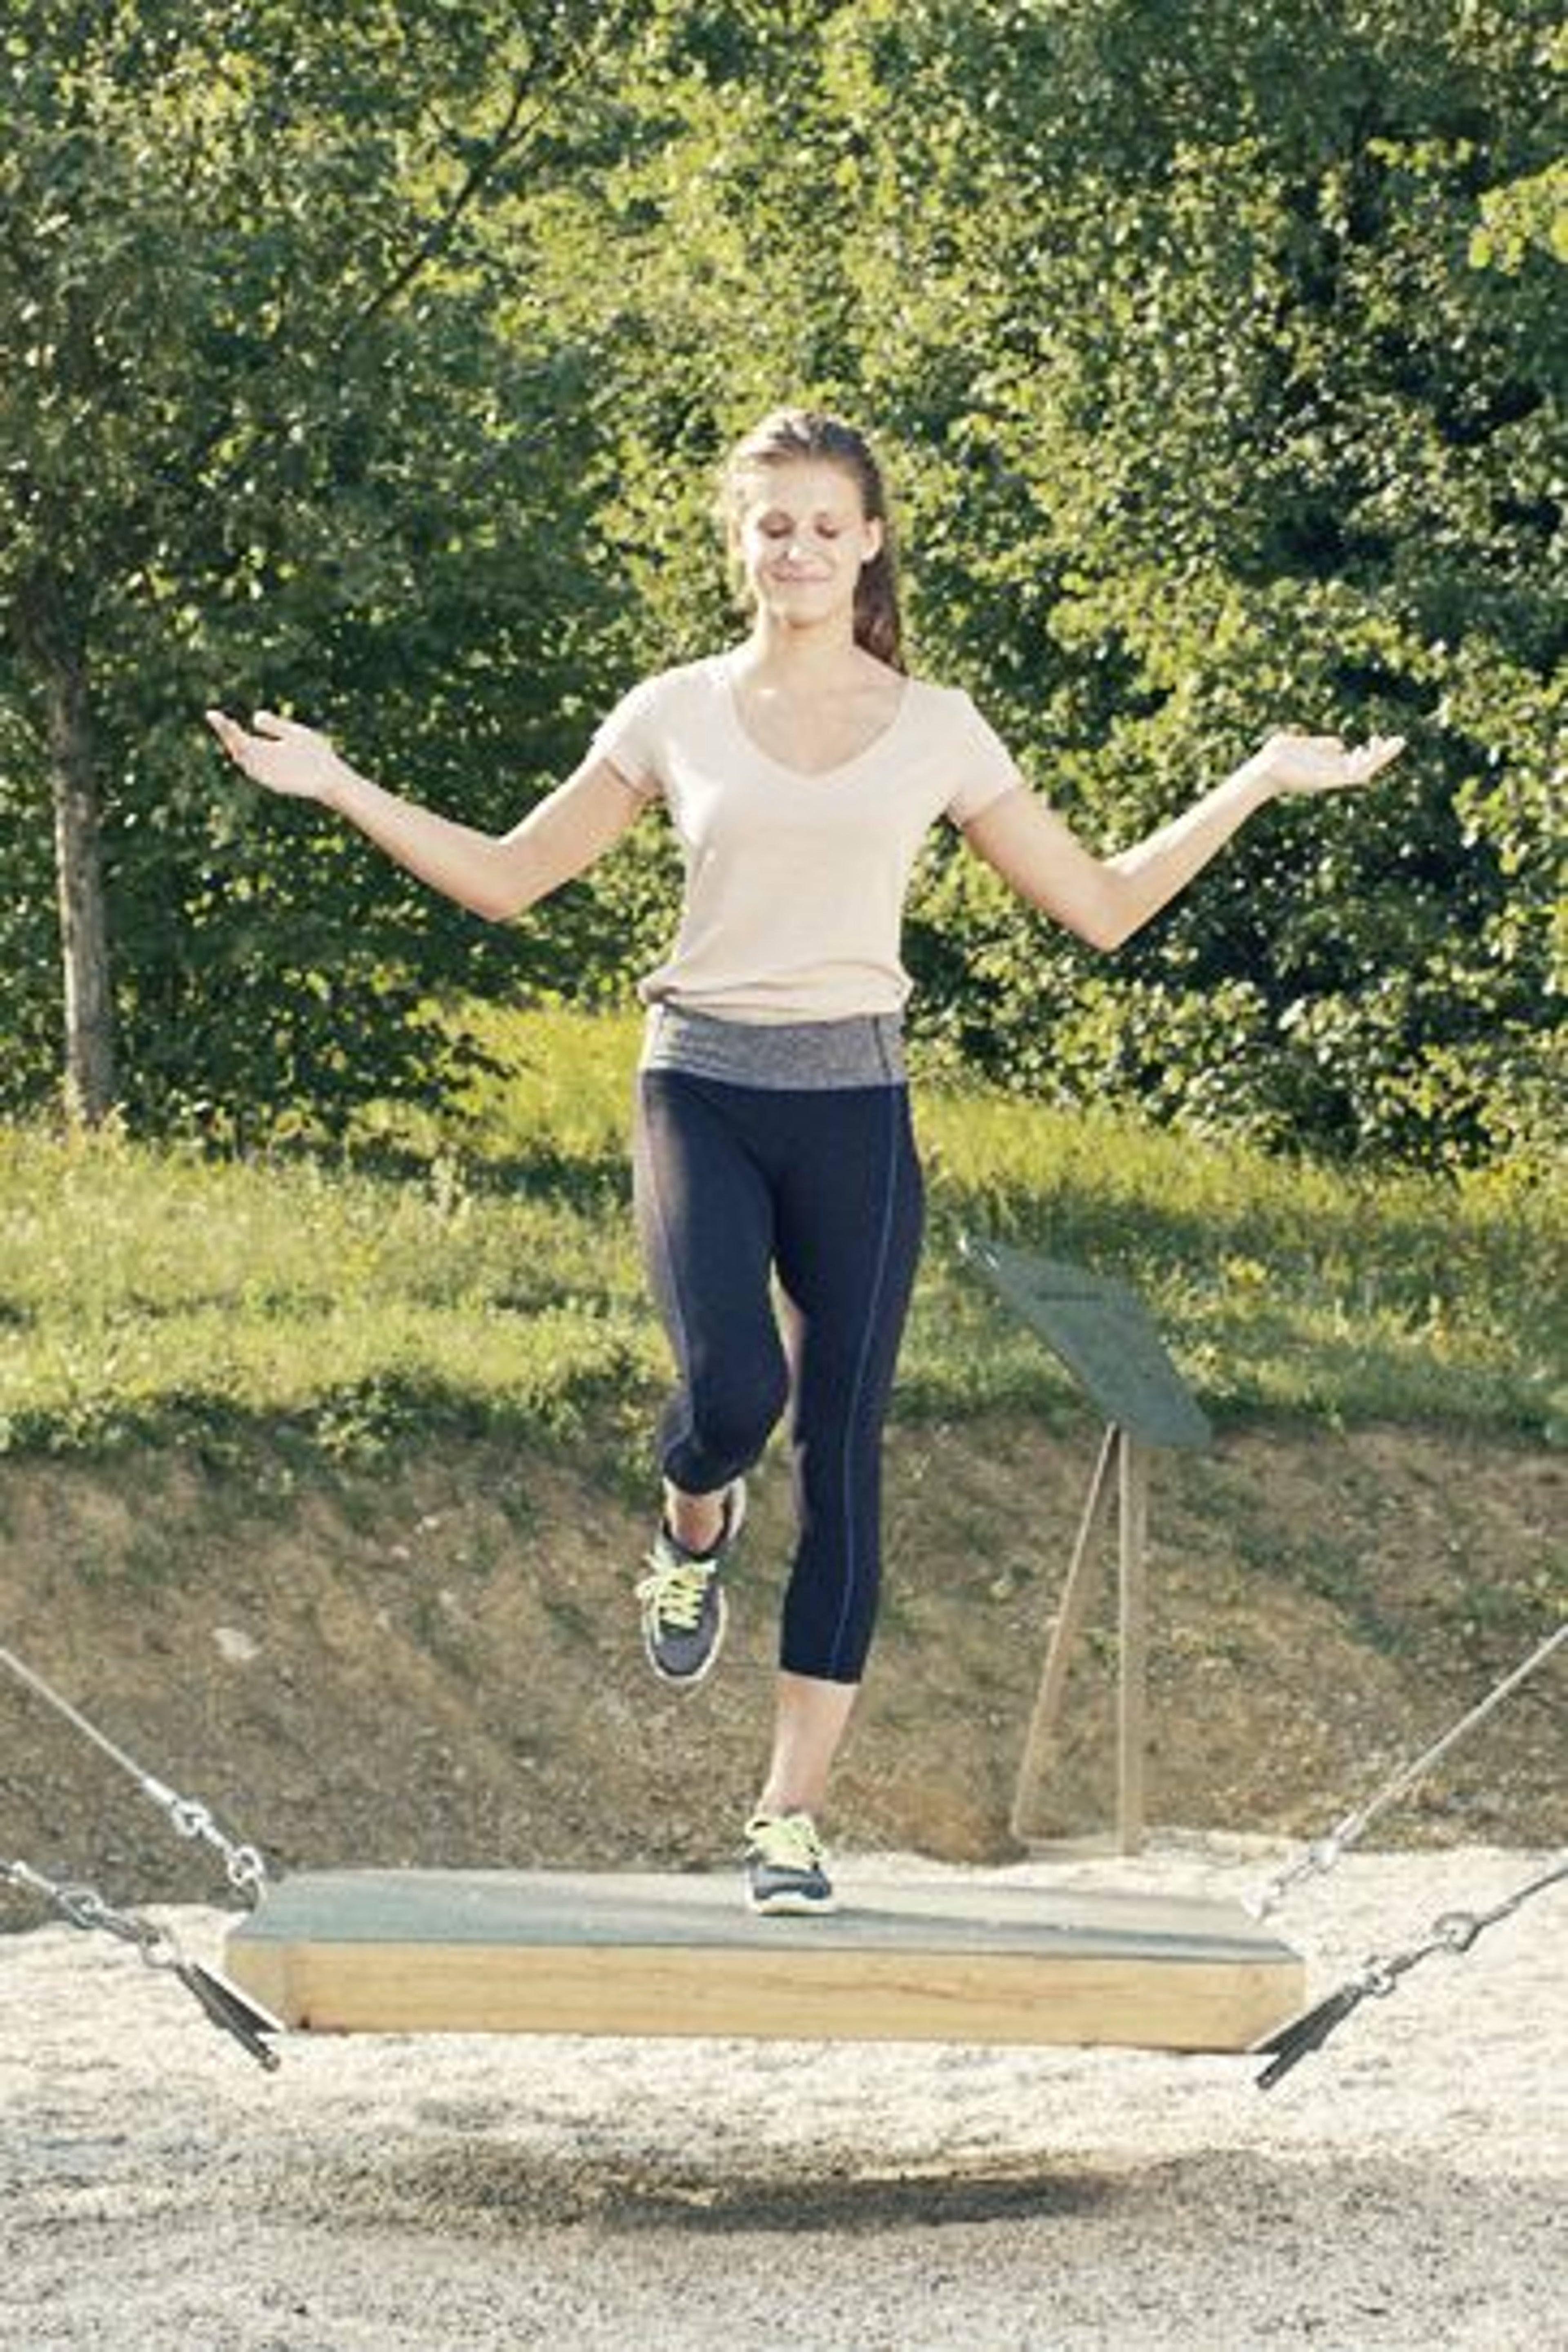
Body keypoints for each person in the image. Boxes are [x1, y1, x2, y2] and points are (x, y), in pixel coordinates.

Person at [205, 405, 1404, 1917]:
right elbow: (511, 880)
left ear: (871, 541)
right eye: (774, 524)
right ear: (740, 539)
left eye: (828, 524)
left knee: (842, 1462)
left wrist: (1251, 782)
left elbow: (1098, 907)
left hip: (859, 1109)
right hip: (701, 1083)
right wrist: (340, 786)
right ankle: (688, 1518)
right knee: (732, 1398)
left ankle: (787, 1816)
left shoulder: (938, 727)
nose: (801, 549)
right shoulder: (674, 712)